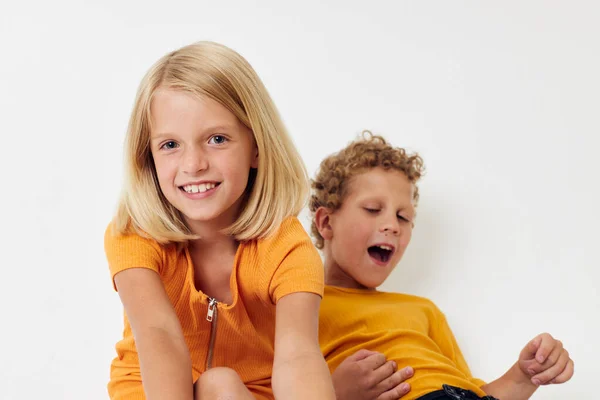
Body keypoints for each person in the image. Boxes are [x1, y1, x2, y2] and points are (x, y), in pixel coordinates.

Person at [104, 41, 335, 400]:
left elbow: (298, 355)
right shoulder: (134, 235)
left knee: (221, 385)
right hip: (151, 393)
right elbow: (157, 335)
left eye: (217, 139)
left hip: (246, 395)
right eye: (170, 145)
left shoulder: (287, 248)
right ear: (147, 156)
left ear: (257, 147)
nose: (193, 164)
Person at [310, 132, 574, 400]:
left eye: (404, 217)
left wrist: (523, 376)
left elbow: (473, 392)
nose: (392, 225)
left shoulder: (423, 310)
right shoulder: (297, 307)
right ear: (326, 223)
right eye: (372, 209)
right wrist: (334, 394)